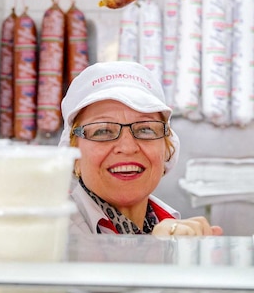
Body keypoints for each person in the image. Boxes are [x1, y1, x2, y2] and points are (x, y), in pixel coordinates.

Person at [59, 61, 223, 237]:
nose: (128, 147)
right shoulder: (55, 233)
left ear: (167, 149)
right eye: (103, 131)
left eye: (145, 129)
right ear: (74, 156)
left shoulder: (169, 225)